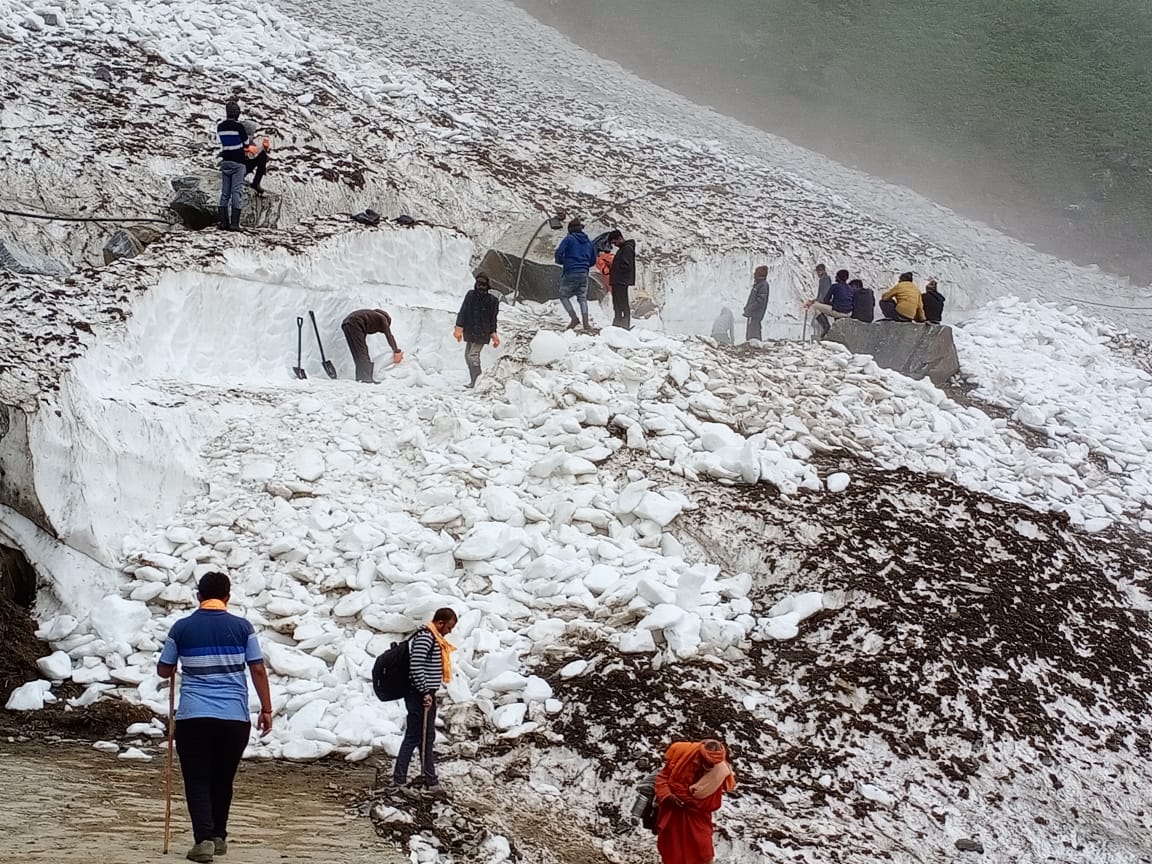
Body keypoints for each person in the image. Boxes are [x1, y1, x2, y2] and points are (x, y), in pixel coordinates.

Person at [157, 571, 273, 864]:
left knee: (197, 778)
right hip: (234, 718)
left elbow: (164, 669)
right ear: (227, 597)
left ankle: (203, 840)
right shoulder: (243, 627)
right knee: (223, 777)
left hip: (193, 716)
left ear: (198, 596)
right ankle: (219, 836)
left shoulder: (181, 628)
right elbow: (257, 669)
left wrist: (176, 663)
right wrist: (267, 709)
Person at [393, 608, 458, 797]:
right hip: (419, 695)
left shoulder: (432, 637)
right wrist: (424, 692)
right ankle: (405, 779)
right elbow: (416, 665)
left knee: (425, 736)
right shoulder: (426, 637)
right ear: (440, 623)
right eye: (449, 627)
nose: (450, 631)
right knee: (415, 736)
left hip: (423, 693)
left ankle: (428, 777)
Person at [654, 739, 737, 864]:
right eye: (707, 762)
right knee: (672, 848)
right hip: (674, 813)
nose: (709, 767)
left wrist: (690, 802)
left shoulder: (718, 770)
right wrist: (668, 795)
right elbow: (662, 777)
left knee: (703, 849)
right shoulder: (682, 754)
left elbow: (713, 803)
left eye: (712, 764)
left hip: (697, 817)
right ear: (700, 754)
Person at [454, 273, 501, 387]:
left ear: (488, 286)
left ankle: (478, 382)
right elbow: (463, 311)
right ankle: (474, 381)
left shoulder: (492, 301)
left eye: (484, 285)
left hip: (483, 333)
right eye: (479, 284)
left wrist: (493, 334)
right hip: (470, 330)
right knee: (467, 356)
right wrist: (459, 327)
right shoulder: (470, 295)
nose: (481, 287)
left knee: (473, 356)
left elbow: (492, 319)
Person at [554, 218, 597, 331]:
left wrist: (562, 261)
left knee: (563, 296)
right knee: (582, 298)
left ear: (570, 230)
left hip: (571, 271)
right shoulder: (589, 242)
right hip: (584, 272)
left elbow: (559, 252)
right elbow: (593, 260)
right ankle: (586, 324)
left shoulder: (569, 239)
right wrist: (585, 265)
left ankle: (574, 318)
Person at [341, 309, 402, 383]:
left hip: (346, 324)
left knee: (356, 352)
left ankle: (360, 377)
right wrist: (396, 351)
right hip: (355, 323)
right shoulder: (383, 319)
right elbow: (389, 335)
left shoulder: (370, 316)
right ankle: (366, 378)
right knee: (362, 352)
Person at [216, 101, 249, 232]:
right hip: (238, 163)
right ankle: (235, 224)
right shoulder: (239, 127)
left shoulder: (220, 127)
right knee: (236, 192)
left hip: (226, 162)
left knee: (225, 193)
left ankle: (223, 223)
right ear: (238, 114)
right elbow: (246, 144)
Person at [804, 268, 855, 336]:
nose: (835, 277)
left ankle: (826, 326)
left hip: (838, 311)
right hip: (848, 313)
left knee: (815, 306)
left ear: (839, 277)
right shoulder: (850, 288)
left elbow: (826, 300)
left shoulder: (835, 286)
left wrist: (831, 303)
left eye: (836, 276)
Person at [608, 230, 636, 330]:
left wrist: (613, 266)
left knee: (622, 303)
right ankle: (618, 323)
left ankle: (623, 324)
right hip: (619, 280)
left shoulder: (627, 249)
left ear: (620, 238)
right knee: (618, 303)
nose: (614, 245)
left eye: (615, 242)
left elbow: (626, 266)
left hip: (621, 281)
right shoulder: (624, 249)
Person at [742, 265, 770, 341]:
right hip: (753, 314)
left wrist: (749, 308)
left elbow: (760, 301)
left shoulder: (762, 285)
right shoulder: (759, 285)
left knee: (753, 334)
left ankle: (755, 348)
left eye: (756, 273)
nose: (754, 275)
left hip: (755, 314)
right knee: (751, 333)